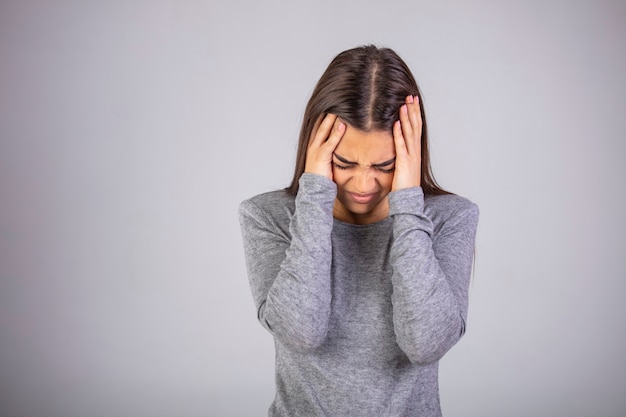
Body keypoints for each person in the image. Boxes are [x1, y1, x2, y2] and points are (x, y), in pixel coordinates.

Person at [238, 45, 479, 417]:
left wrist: (408, 205)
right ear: (315, 149)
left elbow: (425, 343)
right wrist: (315, 193)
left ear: (410, 155)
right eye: (343, 162)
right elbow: (301, 332)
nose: (363, 183)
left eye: (385, 165)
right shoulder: (267, 216)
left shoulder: (450, 218)